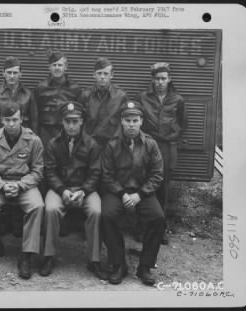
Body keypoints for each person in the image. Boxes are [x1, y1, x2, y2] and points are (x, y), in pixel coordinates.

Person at [39, 101, 107, 280]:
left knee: (96, 211)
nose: (71, 125)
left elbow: (95, 172)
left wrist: (83, 191)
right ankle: (49, 256)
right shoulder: (53, 143)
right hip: (60, 188)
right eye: (67, 121)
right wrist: (62, 191)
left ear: (82, 121)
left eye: (75, 121)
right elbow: (50, 172)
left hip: (84, 190)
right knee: (51, 209)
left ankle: (94, 260)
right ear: (62, 122)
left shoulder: (92, 144)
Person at [101, 101, 165, 286]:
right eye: (127, 120)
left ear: (141, 122)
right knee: (106, 215)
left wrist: (140, 195)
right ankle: (118, 264)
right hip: (118, 192)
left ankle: (145, 266)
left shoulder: (150, 145)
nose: (131, 124)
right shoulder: (112, 145)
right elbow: (107, 174)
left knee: (158, 218)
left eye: (135, 120)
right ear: (121, 121)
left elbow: (157, 174)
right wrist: (122, 194)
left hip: (142, 192)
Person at [0, 102, 44, 280]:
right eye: (7, 120)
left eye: (15, 119)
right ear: (1, 120)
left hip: (24, 184)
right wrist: (1, 185)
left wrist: (20, 185)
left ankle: (27, 255)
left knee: (37, 206)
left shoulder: (33, 140)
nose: (12, 124)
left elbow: (38, 171)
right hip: (0, 183)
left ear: (22, 119)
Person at [136, 62, 186, 245]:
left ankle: (159, 230)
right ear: (152, 79)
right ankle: (141, 228)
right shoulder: (143, 97)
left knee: (162, 188)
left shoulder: (177, 99)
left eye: (163, 78)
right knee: (143, 184)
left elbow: (182, 123)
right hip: (147, 145)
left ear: (169, 79)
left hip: (166, 147)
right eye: (157, 78)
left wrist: (172, 136)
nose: (160, 82)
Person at [34, 50, 82, 147]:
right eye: (54, 65)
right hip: (45, 132)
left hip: (67, 131)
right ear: (49, 67)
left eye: (60, 65)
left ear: (66, 67)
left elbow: (80, 115)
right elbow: (35, 114)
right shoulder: (41, 88)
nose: (57, 68)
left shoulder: (75, 88)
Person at [0, 56, 38, 137]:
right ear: (3, 73)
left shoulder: (28, 94)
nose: (12, 76)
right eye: (9, 72)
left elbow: (34, 121)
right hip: (0, 140)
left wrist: (33, 139)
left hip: (23, 141)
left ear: (20, 74)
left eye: (15, 73)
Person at [80, 57, 128, 148]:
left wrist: (116, 142)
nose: (102, 77)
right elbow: (80, 122)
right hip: (90, 145)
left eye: (106, 73)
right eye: (99, 73)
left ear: (112, 75)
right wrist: (87, 141)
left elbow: (124, 122)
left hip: (113, 146)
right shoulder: (85, 95)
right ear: (94, 75)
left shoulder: (121, 96)